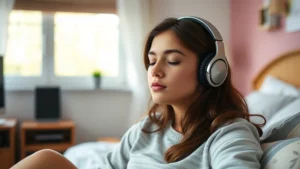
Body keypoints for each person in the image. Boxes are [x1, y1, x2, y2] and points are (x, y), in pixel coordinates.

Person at [11, 16, 264, 169]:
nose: (156, 71)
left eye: (172, 61)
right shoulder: (146, 129)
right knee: (45, 159)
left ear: (211, 70)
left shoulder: (229, 134)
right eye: (152, 61)